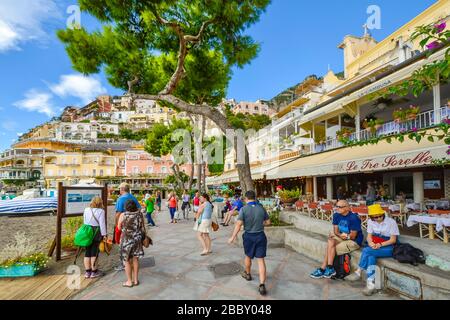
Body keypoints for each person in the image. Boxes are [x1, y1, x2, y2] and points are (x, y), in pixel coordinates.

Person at [346, 204, 399, 296]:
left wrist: (380, 244)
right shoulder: (371, 222)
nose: (377, 219)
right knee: (371, 256)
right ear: (371, 217)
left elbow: (393, 240)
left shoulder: (391, 222)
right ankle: (370, 284)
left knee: (366, 250)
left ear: (382, 214)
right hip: (376, 244)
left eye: (379, 216)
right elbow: (369, 236)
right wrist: (371, 243)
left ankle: (359, 271)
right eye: (374, 217)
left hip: (389, 246)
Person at [228, 190, 271, 296]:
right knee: (261, 260)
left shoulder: (243, 209)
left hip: (249, 236)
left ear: (246, 198)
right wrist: (260, 225)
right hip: (260, 235)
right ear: (255, 198)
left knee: (248, 256)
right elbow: (268, 222)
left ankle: (248, 274)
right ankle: (262, 285)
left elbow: (238, 225)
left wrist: (232, 237)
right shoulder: (261, 208)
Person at [310, 200, 363, 279]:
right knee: (330, 241)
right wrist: (340, 235)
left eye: (340, 207)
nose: (337, 208)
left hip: (353, 241)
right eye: (336, 206)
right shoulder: (336, 215)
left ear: (348, 208)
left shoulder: (354, 218)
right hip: (342, 237)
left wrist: (346, 237)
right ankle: (330, 268)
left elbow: (353, 236)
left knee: (332, 248)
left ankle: (323, 268)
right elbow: (336, 231)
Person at [118, 199, 145, 288]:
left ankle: (129, 281)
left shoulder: (123, 215)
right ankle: (136, 280)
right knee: (135, 259)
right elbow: (142, 226)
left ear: (126, 207)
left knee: (126, 261)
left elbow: (118, 227)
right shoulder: (139, 214)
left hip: (126, 240)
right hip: (137, 239)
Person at [114, 183, 141, 271]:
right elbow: (139, 209)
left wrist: (117, 224)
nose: (119, 190)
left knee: (123, 246)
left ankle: (124, 264)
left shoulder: (120, 199)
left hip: (124, 226)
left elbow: (118, 213)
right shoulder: (133, 197)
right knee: (133, 244)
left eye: (119, 189)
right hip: (134, 226)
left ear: (122, 189)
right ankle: (132, 262)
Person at [83, 196, 107, 279]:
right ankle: (94, 272)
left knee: (87, 252)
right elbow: (102, 224)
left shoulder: (86, 209)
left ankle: (87, 272)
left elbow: (85, 221)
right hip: (96, 231)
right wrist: (104, 235)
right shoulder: (101, 211)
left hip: (87, 231)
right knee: (94, 252)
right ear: (100, 203)